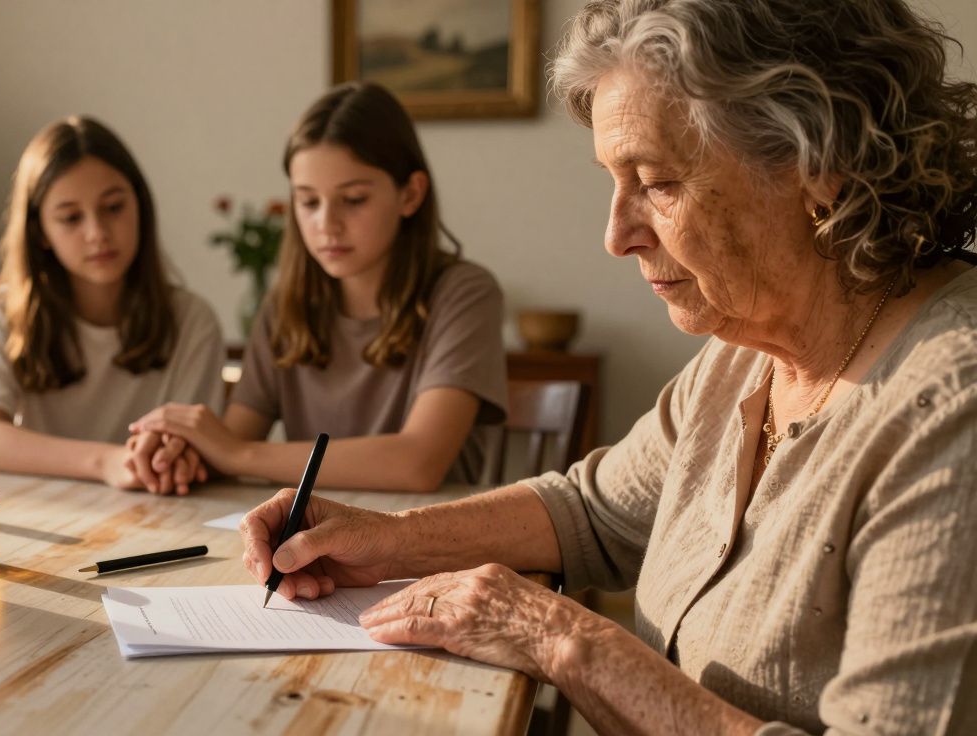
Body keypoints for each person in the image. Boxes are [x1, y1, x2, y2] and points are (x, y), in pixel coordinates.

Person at [238, 1, 977, 732]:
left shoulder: (951, 409)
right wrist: (382, 537)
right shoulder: (743, 354)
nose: (616, 235)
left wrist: (563, 641)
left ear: (818, 166)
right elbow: (589, 513)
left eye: (656, 181)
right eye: (613, 181)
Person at [130, 83, 507, 493]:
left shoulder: (465, 294)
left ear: (411, 194)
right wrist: (177, 454)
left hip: (430, 532)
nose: (327, 225)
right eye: (308, 202)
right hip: (312, 530)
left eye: (354, 199)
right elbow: (231, 440)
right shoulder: (284, 306)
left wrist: (236, 453)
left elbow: (418, 464)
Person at [0, 116, 224, 493]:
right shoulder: (3, 312)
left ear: (140, 206)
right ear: (40, 232)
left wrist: (166, 456)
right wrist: (107, 462)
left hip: (158, 508)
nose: (98, 233)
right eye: (71, 218)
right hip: (42, 510)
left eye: (113, 207)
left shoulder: (192, 320)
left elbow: (192, 447)